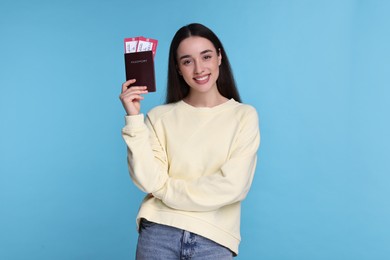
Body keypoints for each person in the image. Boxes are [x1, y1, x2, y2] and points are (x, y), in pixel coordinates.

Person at [119, 23, 260, 259]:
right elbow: (147, 180)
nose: (199, 68)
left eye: (206, 56)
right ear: (178, 68)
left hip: (214, 238)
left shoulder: (244, 116)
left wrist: (164, 189)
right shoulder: (159, 117)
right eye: (187, 61)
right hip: (158, 233)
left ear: (219, 57)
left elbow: (233, 186)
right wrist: (134, 119)